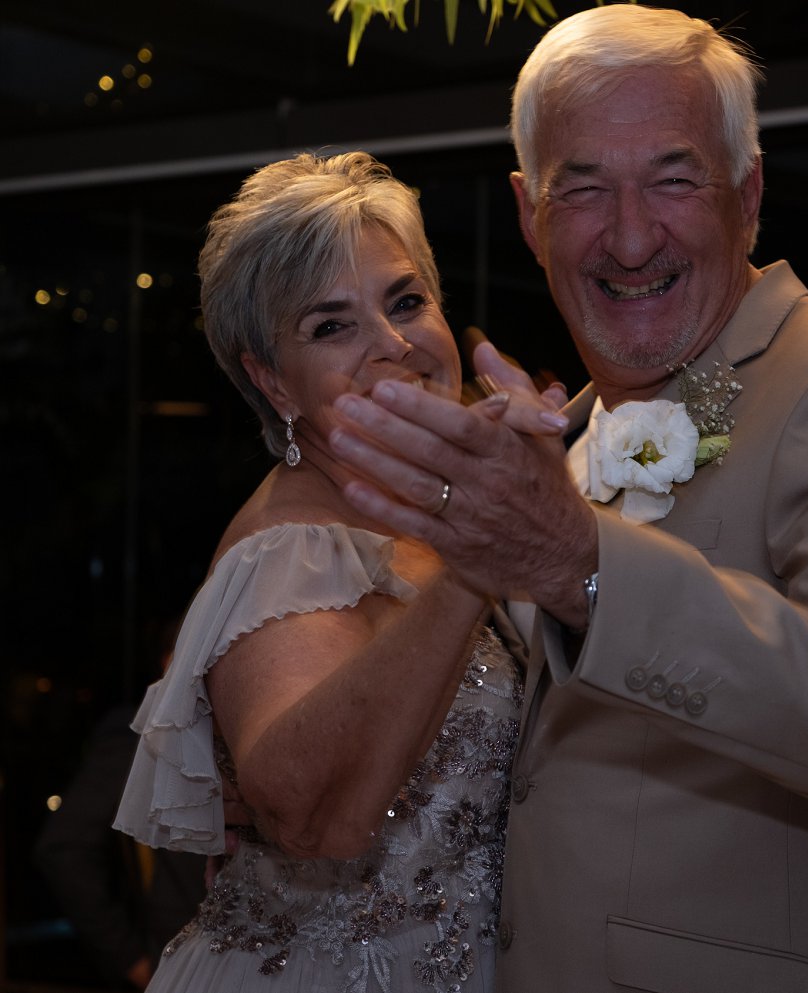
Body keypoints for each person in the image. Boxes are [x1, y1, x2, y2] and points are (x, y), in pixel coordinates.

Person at [325, 6, 808, 991]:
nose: (631, 238)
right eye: (583, 188)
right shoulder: (562, 436)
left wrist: (583, 567)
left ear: (748, 195)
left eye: (675, 180)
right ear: (529, 214)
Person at [112, 150, 564, 993]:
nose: (393, 345)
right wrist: (478, 556)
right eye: (331, 327)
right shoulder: (289, 550)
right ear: (272, 382)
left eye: (407, 302)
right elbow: (309, 817)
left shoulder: (430, 508)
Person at [35, 618, 204, 990]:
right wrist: (131, 959)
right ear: (169, 662)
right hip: (175, 956)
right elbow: (64, 848)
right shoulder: (137, 740)